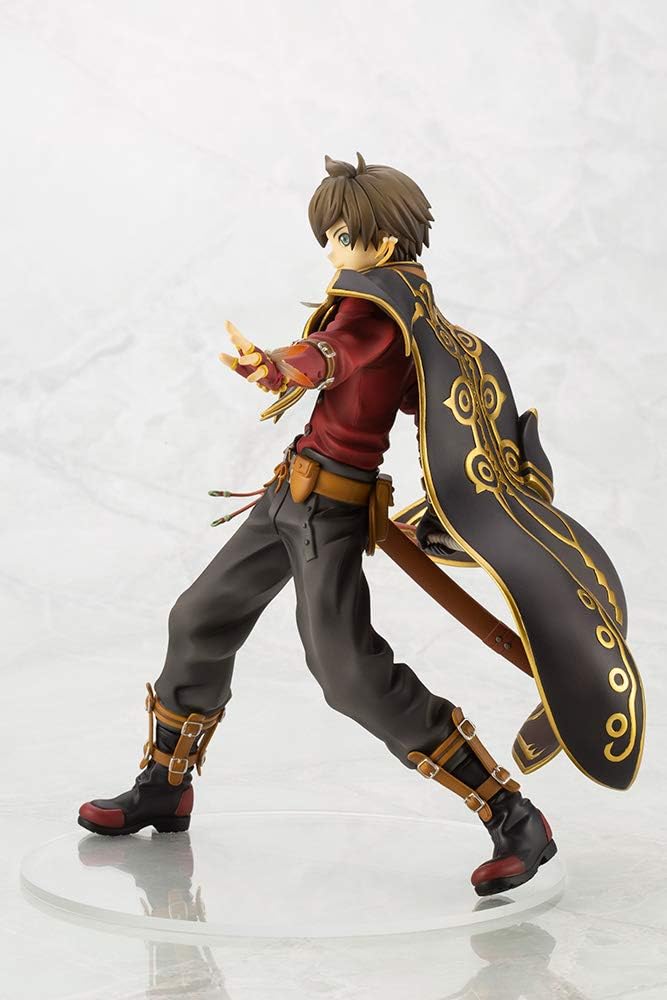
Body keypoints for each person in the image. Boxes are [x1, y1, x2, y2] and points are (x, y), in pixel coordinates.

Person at [79, 153, 556, 898]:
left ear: (384, 239)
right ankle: (164, 788)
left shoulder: (381, 312)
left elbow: (333, 356)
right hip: (286, 495)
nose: (330, 248)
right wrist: (290, 366)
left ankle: (512, 814)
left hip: (329, 514)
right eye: (329, 234)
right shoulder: (376, 302)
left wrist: (278, 366)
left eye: (341, 234)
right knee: (199, 618)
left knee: (347, 673)